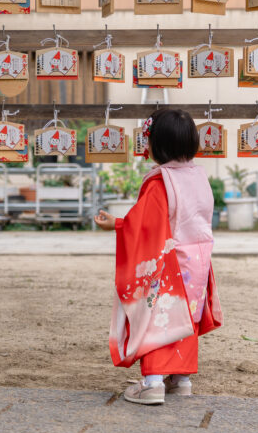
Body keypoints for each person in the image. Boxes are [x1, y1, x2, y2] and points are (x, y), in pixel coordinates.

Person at [94, 109, 222, 405]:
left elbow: (147, 226)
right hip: (197, 263)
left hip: (170, 263)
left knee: (159, 316)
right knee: (185, 318)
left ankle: (152, 383)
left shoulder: (161, 182)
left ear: (156, 146)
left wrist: (118, 225)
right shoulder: (199, 178)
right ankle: (181, 379)